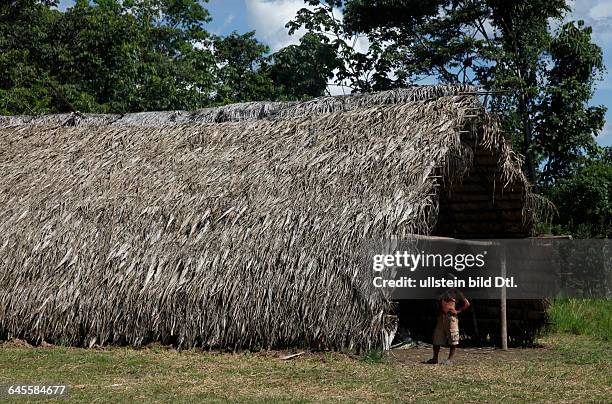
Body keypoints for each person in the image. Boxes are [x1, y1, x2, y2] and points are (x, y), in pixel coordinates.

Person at [426, 288, 470, 365]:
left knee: (453, 337)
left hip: (451, 317)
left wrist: (458, 311)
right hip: (441, 316)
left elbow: (467, 303)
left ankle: (450, 359)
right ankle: (435, 358)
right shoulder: (441, 291)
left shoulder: (456, 292)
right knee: (437, 337)